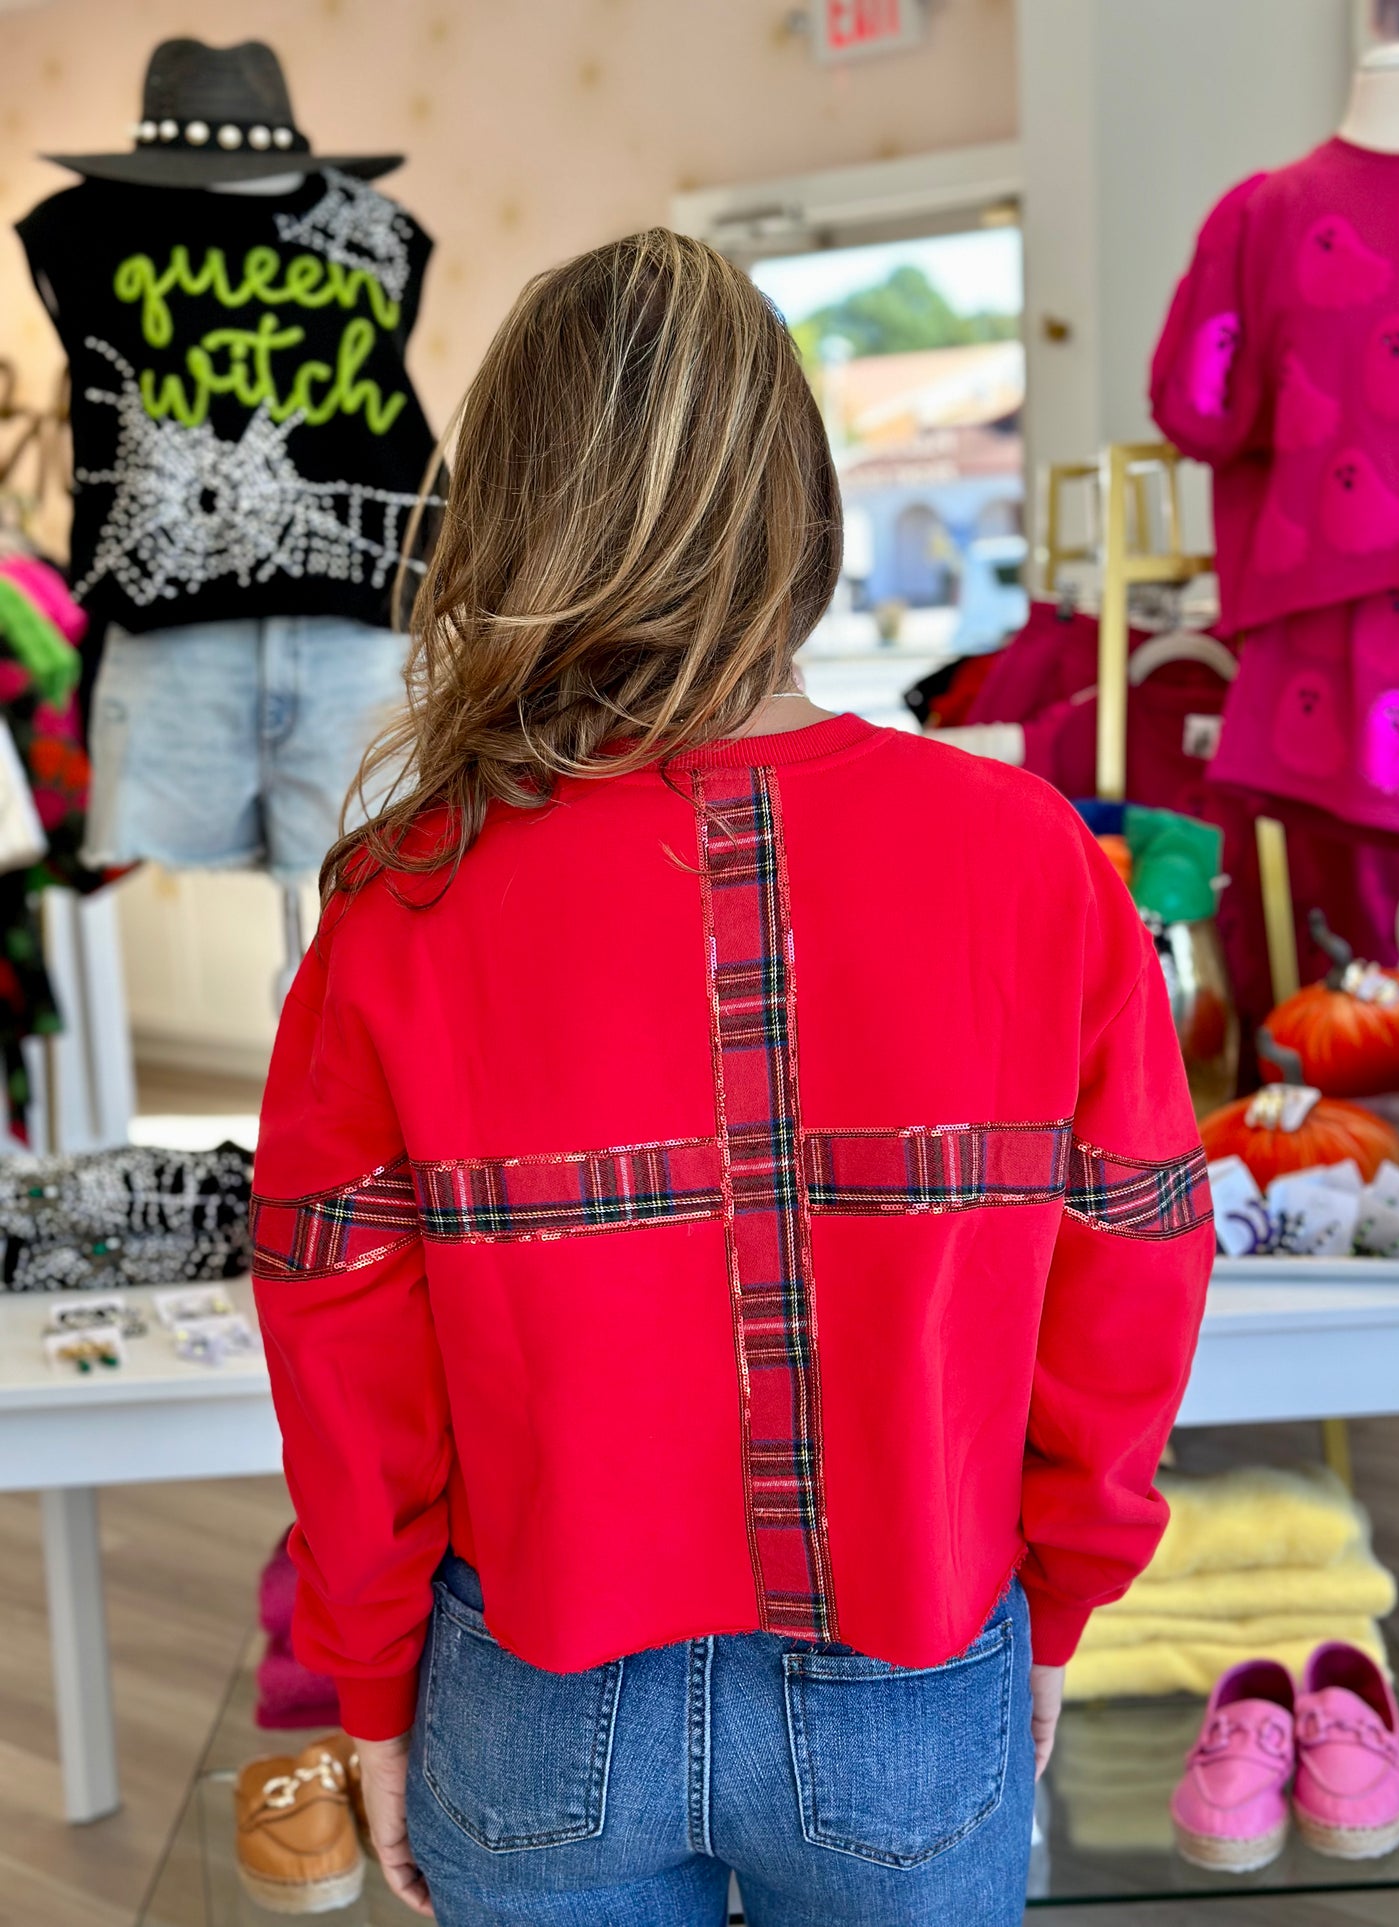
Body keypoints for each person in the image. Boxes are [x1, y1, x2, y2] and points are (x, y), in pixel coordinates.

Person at [252, 228, 1214, 1927]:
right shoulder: (1028, 854)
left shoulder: (407, 889)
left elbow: (340, 1329)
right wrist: (1056, 1604)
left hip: (533, 1692)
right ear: (806, 515)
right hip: (913, 1670)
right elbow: (1131, 1256)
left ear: (504, 520)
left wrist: (372, 1684)